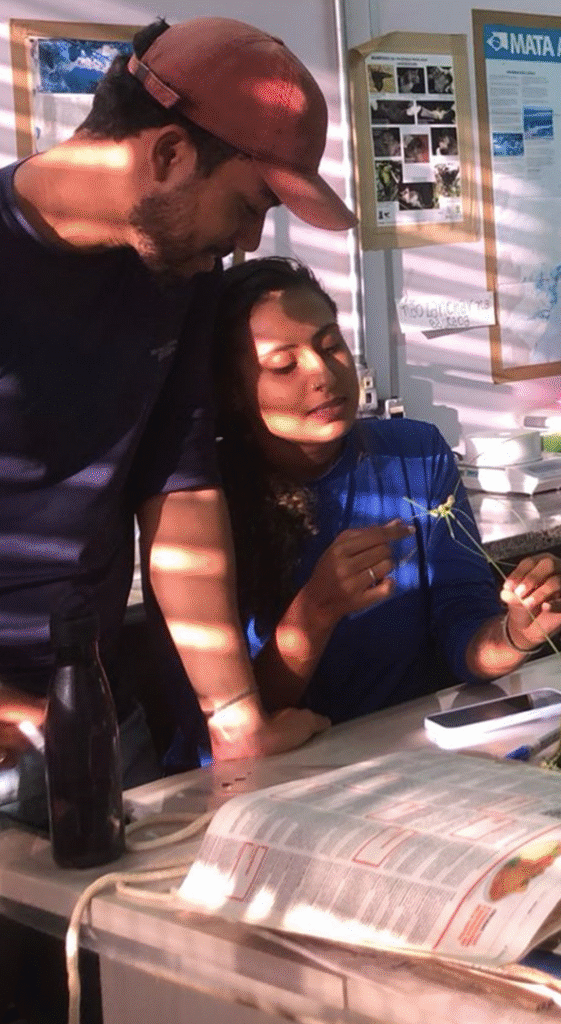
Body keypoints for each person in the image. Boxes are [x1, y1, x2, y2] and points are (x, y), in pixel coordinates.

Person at [0, 16, 351, 795]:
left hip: (88, 704)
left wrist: (236, 716)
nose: (251, 240)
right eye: (251, 203)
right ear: (168, 154)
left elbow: (179, 485)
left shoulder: (176, 277)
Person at [186, 256, 561, 738]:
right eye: (284, 366)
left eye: (331, 346)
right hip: (283, 764)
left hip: (408, 745)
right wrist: (317, 609)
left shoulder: (416, 453)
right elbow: (233, 721)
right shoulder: (200, 502)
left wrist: (519, 631)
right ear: (233, 392)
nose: (322, 373)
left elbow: (463, 629)